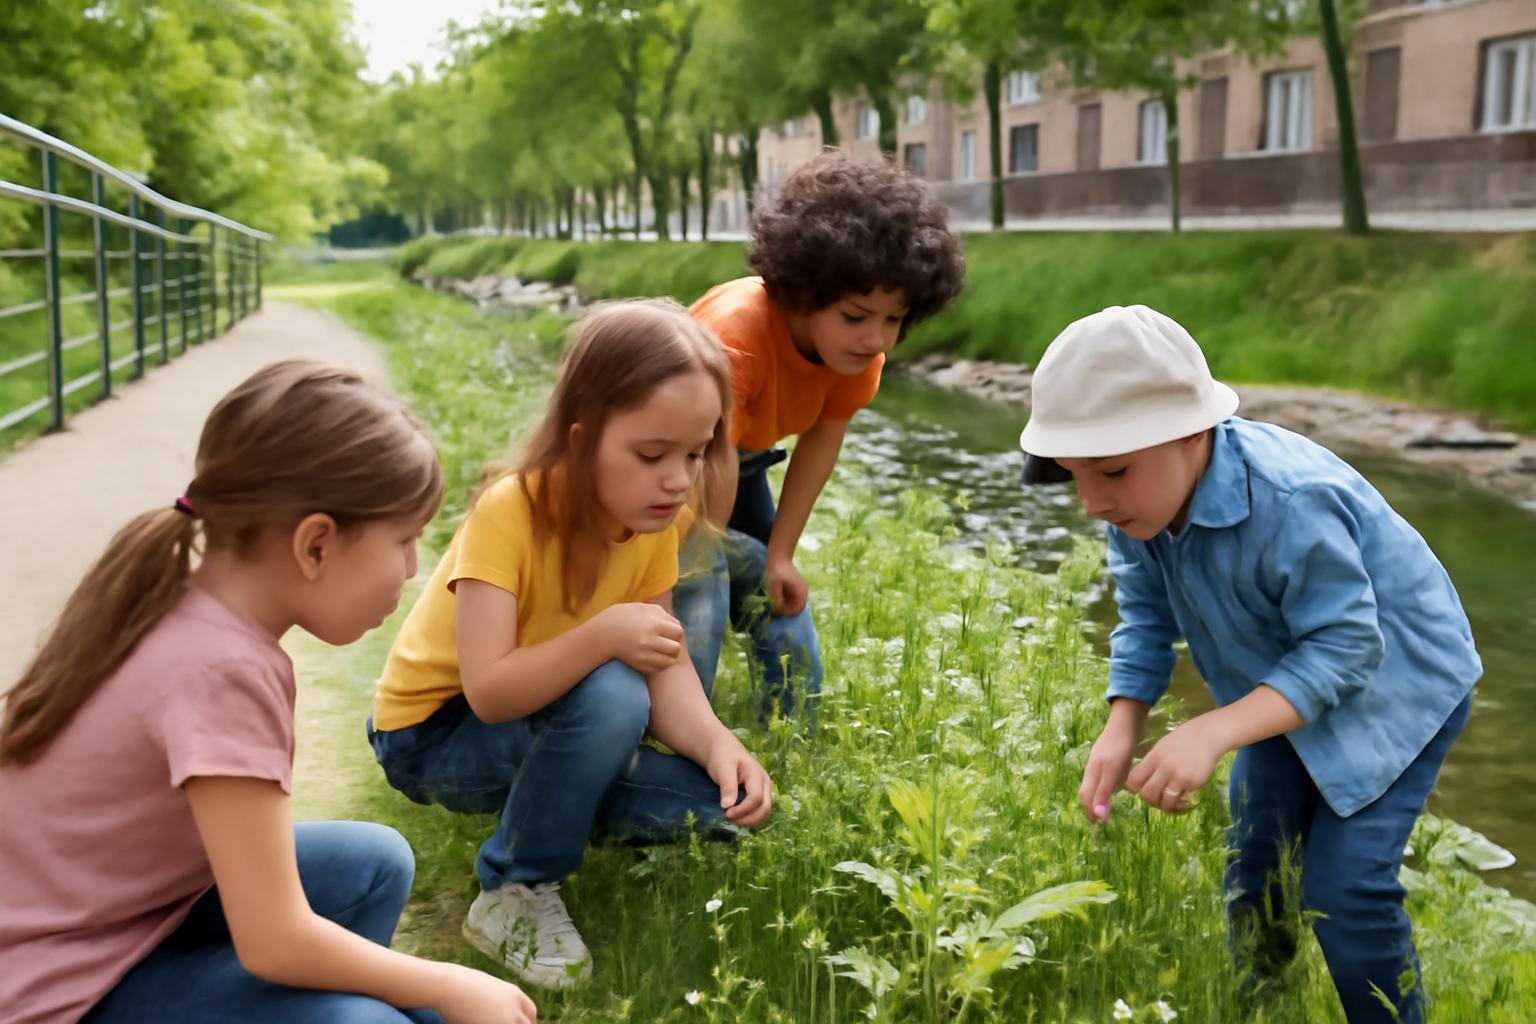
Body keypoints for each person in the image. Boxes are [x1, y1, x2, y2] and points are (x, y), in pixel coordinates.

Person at [0, 360, 537, 1024]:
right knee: (370, 1020)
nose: (409, 569)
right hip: (60, 994)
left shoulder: (182, 602)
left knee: (372, 863)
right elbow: (273, 939)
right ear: (315, 544)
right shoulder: (221, 672)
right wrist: (445, 983)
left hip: (118, 928)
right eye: (402, 541)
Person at [1018, 305, 1480, 1024]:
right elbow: (1145, 616)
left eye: (1110, 470)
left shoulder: (1292, 500)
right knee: (1258, 869)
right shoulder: (1136, 508)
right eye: (1072, 475)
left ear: (1192, 434)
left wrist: (1212, 731)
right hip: (1275, 685)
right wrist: (1122, 726)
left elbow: (1349, 646)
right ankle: (1261, 1008)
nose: (1092, 501)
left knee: (1346, 888)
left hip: (1397, 688)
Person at [368, 299, 773, 990]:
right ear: (581, 440)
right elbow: (491, 694)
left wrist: (718, 744)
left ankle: (555, 801)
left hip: (547, 716)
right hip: (434, 735)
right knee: (614, 684)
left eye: (696, 453)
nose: (679, 479)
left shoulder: (655, 522)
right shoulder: (512, 511)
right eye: (652, 454)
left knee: (721, 812)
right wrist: (603, 635)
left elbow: (664, 663)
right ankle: (515, 890)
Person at [677, 152, 965, 721]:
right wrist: (698, 551)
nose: (876, 338)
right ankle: (679, 731)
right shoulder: (735, 335)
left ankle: (791, 733)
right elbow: (706, 460)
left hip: (743, 459)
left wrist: (780, 554)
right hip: (671, 462)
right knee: (695, 588)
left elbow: (820, 444)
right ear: (801, 292)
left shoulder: (861, 358)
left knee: (781, 596)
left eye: (893, 319)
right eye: (856, 316)